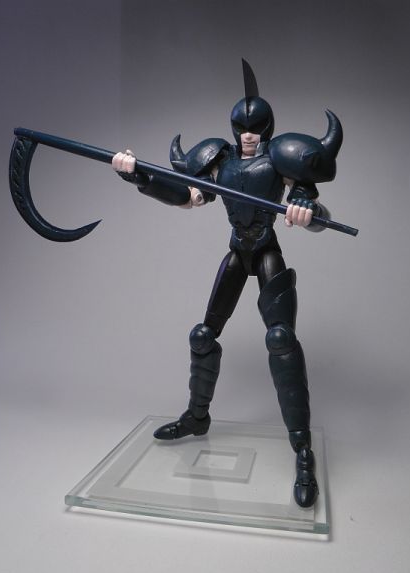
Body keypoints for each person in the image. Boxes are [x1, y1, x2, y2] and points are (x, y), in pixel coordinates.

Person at [112, 62, 342, 508]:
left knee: (281, 339)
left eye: (256, 128)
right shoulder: (220, 162)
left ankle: (302, 449)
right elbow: (186, 195)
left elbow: (315, 210)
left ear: (268, 129)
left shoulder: (281, 161)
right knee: (202, 335)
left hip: (267, 251)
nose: (248, 135)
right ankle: (197, 418)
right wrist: (140, 177)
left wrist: (308, 212)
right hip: (238, 252)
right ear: (233, 128)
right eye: (242, 128)